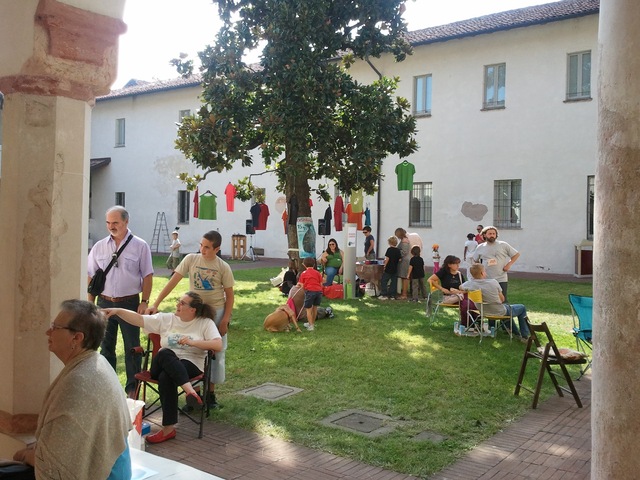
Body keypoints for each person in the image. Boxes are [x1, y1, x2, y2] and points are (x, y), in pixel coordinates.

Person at [13, 300, 131, 479]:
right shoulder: (96, 363)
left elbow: (55, 468)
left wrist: (24, 456)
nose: (48, 332)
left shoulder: (79, 382)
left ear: (76, 338)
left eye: (55, 327)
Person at [104, 291, 223, 444]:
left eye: (182, 303)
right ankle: (190, 390)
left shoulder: (204, 323)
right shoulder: (166, 319)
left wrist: (192, 342)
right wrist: (117, 311)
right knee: (165, 353)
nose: (177, 304)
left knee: (167, 377)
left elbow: (217, 344)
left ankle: (168, 429)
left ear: (192, 309)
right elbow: (139, 319)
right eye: (178, 301)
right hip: (160, 364)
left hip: (191, 364)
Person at [147, 230, 234, 409]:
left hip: (216, 312)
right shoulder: (191, 259)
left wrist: (225, 319)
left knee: (215, 353)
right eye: (201, 245)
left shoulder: (223, 266)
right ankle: (195, 394)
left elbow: (230, 295)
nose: (202, 250)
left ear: (217, 249)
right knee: (191, 349)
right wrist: (156, 303)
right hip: (195, 311)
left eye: (207, 247)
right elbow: (173, 281)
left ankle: (211, 395)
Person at [87, 205, 153, 398]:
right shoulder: (99, 246)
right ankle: (108, 388)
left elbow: (147, 275)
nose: (111, 226)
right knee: (106, 347)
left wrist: (144, 301)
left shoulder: (140, 246)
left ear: (126, 221)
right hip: (104, 303)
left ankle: (132, 389)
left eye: (115, 222)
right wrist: (91, 304)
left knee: (132, 346)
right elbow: (91, 275)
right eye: (108, 223)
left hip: (129, 303)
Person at [461, 264, 531, 341]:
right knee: (521, 307)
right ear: (482, 273)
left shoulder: (469, 284)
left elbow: (460, 287)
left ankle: (515, 332)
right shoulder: (493, 282)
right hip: (499, 311)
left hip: (484, 312)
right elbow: (502, 299)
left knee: (506, 308)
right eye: (484, 271)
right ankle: (525, 336)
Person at [473, 225, 520, 301]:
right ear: (484, 235)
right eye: (490, 234)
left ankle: (504, 309)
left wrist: (509, 265)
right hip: (486, 279)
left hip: (501, 278)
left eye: (493, 234)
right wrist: (480, 271)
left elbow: (516, 254)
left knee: (502, 300)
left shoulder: (503, 245)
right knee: (487, 300)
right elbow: (475, 260)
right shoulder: (480, 247)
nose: (492, 235)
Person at [297, 256, 324, 331]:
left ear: (304, 265)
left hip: (310, 292)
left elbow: (301, 284)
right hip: (318, 292)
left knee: (308, 309)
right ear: (314, 264)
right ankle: (312, 323)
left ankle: (311, 325)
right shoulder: (317, 273)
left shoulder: (303, 273)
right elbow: (321, 283)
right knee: (315, 308)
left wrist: (302, 287)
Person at [379, 236, 402, 300]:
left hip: (388, 268)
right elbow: (400, 259)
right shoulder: (398, 250)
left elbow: (387, 259)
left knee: (384, 281)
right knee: (394, 282)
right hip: (395, 268)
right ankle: (392, 295)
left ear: (389, 243)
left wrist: (384, 265)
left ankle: (384, 294)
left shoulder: (389, 250)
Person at [395, 228, 411, 299]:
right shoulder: (404, 240)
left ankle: (404, 294)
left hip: (404, 261)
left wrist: (396, 253)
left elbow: (404, 252)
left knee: (404, 277)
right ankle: (403, 293)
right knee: (403, 277)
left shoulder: (404, 241)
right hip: (403, 260)